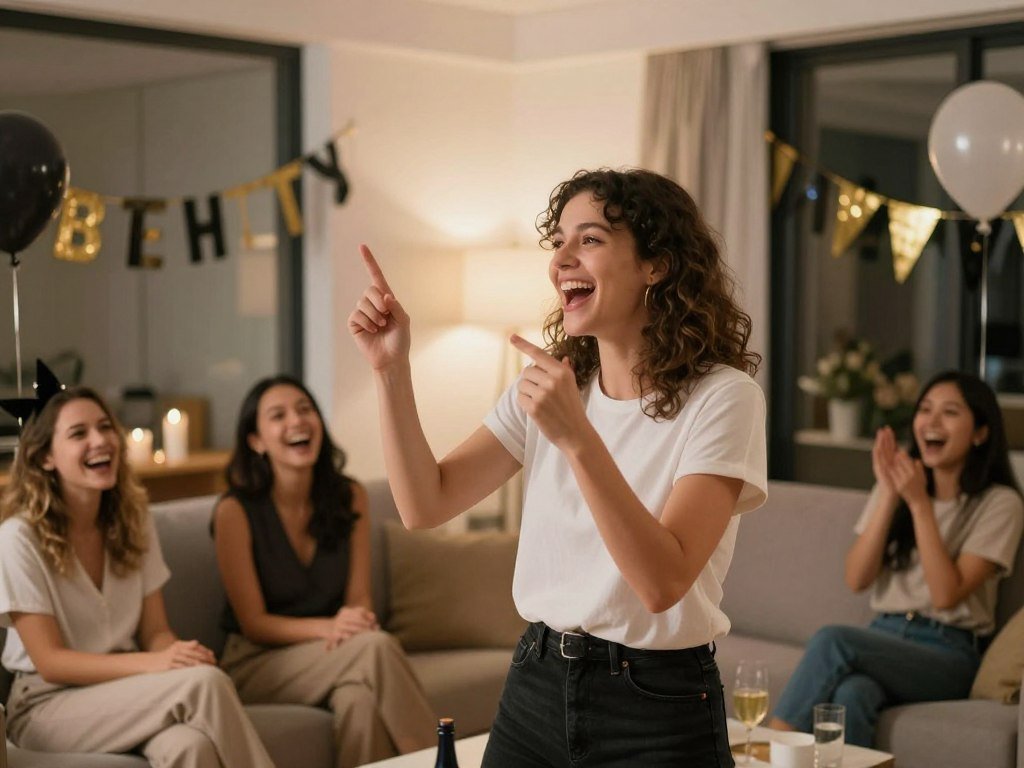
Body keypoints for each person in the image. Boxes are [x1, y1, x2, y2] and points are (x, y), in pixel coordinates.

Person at [348, 168, 768, 767]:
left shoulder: (724, 399)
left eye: (590, 239)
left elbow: (662, 582)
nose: (561, 259)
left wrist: (577, 437)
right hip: (537, 684)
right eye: (560, 241)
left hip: (657, 703)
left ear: (658, 265)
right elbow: (425, 503)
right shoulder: (547, 387)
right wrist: (391, 370)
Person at [0, 386, 274, 767]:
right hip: (46, 703)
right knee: (204, 685)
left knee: (189, 746)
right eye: (79, 434)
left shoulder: (134, 522)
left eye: (105, 427)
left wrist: (179, 655)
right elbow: (51, 661)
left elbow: (155, 633)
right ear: (46, 457)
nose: (100, 441)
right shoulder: (18, 538)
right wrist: (157, 665)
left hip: (125, 689)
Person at [770, 370, 1024, 747]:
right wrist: (890, 493)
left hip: (948, 652)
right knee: (853, 694)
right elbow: (856, 578)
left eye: (950, 412)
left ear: (980, 433)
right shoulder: (896, 485)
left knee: (831, 640)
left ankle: (767, 750)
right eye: (925, 409)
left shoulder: (999, 503)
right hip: (884, 636)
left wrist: (920, 503)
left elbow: (945, 595)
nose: (932, 422)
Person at [212, 374, 436, 768]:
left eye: (304, 410)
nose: (297, 422)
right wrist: (331, 629)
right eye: (278, 416)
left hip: (334, 652)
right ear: (256, 441)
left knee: (359, 700)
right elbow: (253, 622)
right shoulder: (234, 511)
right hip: (258, 661)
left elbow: (359, 598)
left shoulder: (351, 496)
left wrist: (351, 623)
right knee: (376, 646)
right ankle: (439, 762)